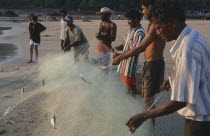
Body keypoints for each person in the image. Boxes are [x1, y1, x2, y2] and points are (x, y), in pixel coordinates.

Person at [126, 1, 210, 136]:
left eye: (159, 27)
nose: (158, 33)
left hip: (200, 121)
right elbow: (197, 75)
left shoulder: (186, 50)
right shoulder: (194, 36)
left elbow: (180, 101)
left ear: (172, 24)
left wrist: (144, 116)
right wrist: (173, 80)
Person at [114, 0, 166, 115]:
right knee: (146, 96)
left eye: (143, 9)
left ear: (150, 7)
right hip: (151, 63)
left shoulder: (154, 24)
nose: (142, 12)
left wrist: (120, 57)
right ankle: (148, 120)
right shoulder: (152, 23)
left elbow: (140, 47)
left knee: (148, 99)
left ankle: (149, 126)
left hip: (153, 64)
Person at [113, 9, 145, 96]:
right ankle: (129, 98)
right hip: (124, 62)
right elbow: (124, 44)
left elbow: (136, 50)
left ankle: (133, 100)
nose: (128, 22)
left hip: (130, 63)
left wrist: (119, 56)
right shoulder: (131, 30)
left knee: (131, 85)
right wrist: (116, 48)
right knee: (126, 84)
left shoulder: (140, 32)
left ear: (136, 19)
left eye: (129, 19)